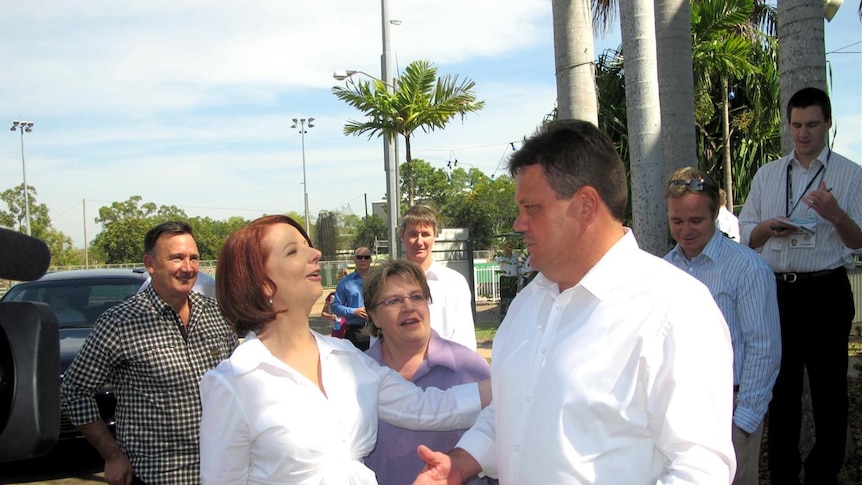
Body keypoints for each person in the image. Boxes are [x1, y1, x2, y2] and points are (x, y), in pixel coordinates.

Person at [414, 120, 735, 484]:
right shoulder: (527, 305)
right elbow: (509, 414)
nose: (520, 223)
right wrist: (459, 463)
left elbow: (699, 469)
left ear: (585, 204)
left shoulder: (674, 308)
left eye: (531, 208)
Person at [199, 215, 491, 484]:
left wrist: (516, 383)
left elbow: (428, 408)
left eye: (308, 247)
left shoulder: (348, 358)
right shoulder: (233, 383)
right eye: (293, 251)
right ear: (263, 284)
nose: (315, 254)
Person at [739, 87, 862, 485]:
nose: (803, 133)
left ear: (827, 124)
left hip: (827, 291)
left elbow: (857, 240)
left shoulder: (849, 174)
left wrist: (835, 214)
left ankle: (823, 474)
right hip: (779, 293)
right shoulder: (769, 174)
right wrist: (768, 228)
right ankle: (783, 475)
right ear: (788, 125)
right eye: (796, 125)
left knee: (829, 393)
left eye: (811, 125)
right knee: (783, 392)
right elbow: (747, 236)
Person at [61, 221, 238, 485]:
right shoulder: (119, 323)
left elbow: (238, 386)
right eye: (176, 258)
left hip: (222, 471)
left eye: (193, 258)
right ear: (150, 264)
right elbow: (74, 392)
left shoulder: (218, 314)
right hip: (156, 475)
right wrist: (112, 455)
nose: (188, 267)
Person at [664, 167, 782, 485]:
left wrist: (743, 421)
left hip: (731, 407)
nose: (685, 230)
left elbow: (764, 348)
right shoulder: (664, 269)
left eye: (695, 220)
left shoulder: (748, 268)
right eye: (677, 221)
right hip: (677, 410)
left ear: (715, 213)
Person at [362, 259, 493, 485]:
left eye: (416, 297)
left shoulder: (470, 369)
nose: (408, 307)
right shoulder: (356, 375)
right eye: (393, 300)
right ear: (374, 316)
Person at [400, 205, 477, 351]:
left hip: (445, 370)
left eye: (425, 234)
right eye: (413, 234)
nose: (419, 241)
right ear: (401, 235)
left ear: (435, 235)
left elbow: (465, 341)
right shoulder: (388, 285)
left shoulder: (454, 283)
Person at [332, 247, 374, 350]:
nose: (363, 260)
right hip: (357, 331)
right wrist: (354, 311)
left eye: (366, 257)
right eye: (359, 257)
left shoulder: (380, 280)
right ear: (354, 260)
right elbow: (335, 306)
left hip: (379, 329)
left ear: (371, 260)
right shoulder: (345, 283)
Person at [322, 267, 349, 338]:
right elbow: (323, 313)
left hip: (351, 331)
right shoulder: (332, 296)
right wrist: (331, 317)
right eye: (341, 281)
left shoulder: (353, 296)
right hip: (337, 330)